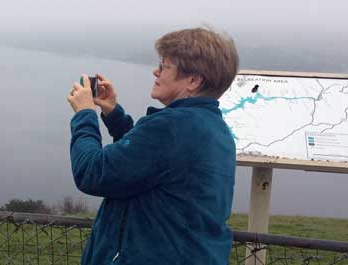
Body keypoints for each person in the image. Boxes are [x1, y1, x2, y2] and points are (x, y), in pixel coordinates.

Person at [66, 27, 239, 264]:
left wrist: (84, 114)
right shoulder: (213, 128)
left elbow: (92, 171)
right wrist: (114, 114)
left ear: (193, 79)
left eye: (165, 66)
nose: (155, 71)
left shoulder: (172, 127)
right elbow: (149, 163)